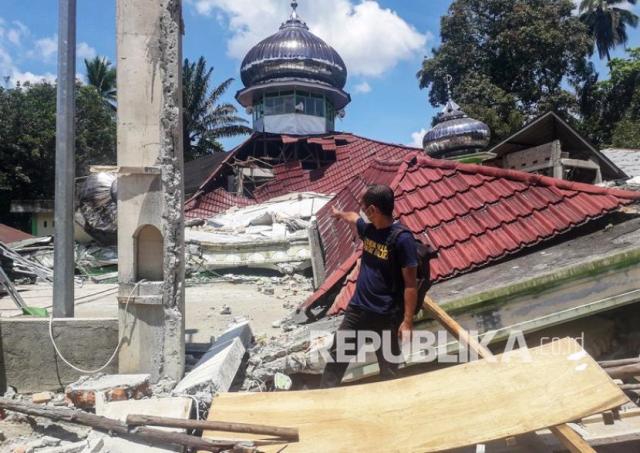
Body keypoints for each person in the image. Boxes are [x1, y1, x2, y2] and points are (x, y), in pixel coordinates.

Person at [319, 184, 418, 388]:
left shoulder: (402, 239)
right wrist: (339, 214)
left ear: (373, 210)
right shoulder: (369, 230)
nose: (362, 211)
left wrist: (407, 322)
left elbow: (410, 285)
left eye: (364, 207)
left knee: (389, 371)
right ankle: (324, 402)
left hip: (386, 316)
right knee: (337, 359)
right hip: (358, 310)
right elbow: (353, 217)